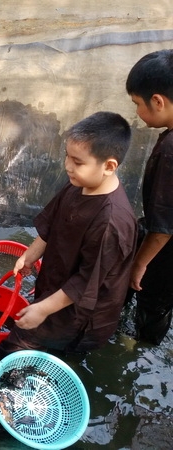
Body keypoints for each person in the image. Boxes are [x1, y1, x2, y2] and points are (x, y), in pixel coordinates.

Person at [0, 112, 137, 362]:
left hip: (79, 314)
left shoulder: (112, 222)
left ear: (109, 166)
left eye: (77, 161)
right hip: (56, 288)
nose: (67, 166)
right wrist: (29, 255)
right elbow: (51, 224)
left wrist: (42, 309)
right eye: (67, 156)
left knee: (11, 352)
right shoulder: (80, 183)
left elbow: (85, 283)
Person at [125, 49, 173, 345]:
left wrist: (140, 264)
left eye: (136, 104)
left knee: (152, 299)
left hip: (166, 254)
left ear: (158, 101)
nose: (136, 112)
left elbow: (164, 225)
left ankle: (143, 345)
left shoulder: (170, 151)